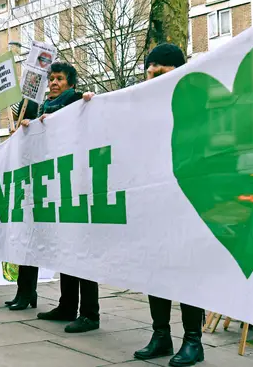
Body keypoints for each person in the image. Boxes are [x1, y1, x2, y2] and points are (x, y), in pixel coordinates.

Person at [84, 43, 205, 366]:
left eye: (160, 73)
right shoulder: (140, 104)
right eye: (149, 72)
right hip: (153, 203)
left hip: (186, 201)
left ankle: (193, 339)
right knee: (156, 269)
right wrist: (91, 108)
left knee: (188, 273)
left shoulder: (196, 102)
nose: (152, 78)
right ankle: (161, 335)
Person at [31, 62, 101, 333]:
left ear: (71, 83)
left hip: (79, 186)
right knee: (66, 249)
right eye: (51, 79)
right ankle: (67, 305)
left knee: (83, 250)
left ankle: (90, 314)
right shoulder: (44, 110)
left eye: (59, 79)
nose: (53, 83)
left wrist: (89, 103)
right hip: (58, 187)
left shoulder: (78, 102)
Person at [5, 98, 42, 311]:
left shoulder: (38, 131)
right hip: (23, 197)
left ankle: (28, 292)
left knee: (30, 249)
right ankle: (23, 291)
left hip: (35, 197)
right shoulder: (22, 135)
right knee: (22, 248)